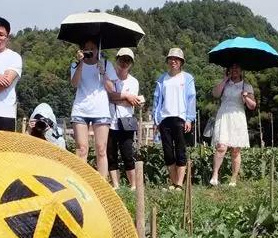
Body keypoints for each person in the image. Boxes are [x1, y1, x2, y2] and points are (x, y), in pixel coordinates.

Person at [152, 47, 196, 190]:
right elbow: (157, 99)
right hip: (165, 118)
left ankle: (179, 184)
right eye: (171, 59)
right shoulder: (162, 79)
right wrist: (156, 120)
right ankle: (173, 182)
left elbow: (191, 99)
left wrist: (189, 118)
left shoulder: (187, 78)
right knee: (168, 152)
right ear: (167, 61)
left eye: (176, 59)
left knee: (181, 150)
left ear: (181, 62)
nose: (173, 61)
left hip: (181, 118)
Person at [70, 39, 114, 176]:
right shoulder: (75, 64)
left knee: (101, 149)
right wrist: (81, 63)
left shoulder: (106, 64)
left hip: (100, 111)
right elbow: (74, 84)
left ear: (98, 50)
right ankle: (80, 182)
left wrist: (103, 72)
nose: (90, 51)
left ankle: (102, 184)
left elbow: (111, 89)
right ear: (82, 50)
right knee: (82, 149)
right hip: (80, 110)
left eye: (93, 48)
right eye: (87, 48)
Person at [208, 63, 256, 186]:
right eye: (232, 67)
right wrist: (224, 80)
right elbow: (215, 94)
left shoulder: (246, 86)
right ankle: (215, 175)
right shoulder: (225, 84)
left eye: (237, 68)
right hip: (224, 115)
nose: (234, 70)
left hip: (237, 117)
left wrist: (245, 97)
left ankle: (233, 179)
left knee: (235, 150)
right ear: (228, 70)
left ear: (241, 70)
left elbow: (252, 106)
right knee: (221, 147)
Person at [106, 48, 143, 190]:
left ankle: (133, 185)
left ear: (131, 64)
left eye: (128, 60)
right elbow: (108, 96)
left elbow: (132, 101)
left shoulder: (134, 82)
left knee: (128, 153)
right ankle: (115, 185)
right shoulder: (109, 78)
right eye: (122, 59)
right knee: (111, 154)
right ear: (117, 60)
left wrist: (118, 97)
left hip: (126, 121)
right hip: (109, 121)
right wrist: (125, 96)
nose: (124, 63)